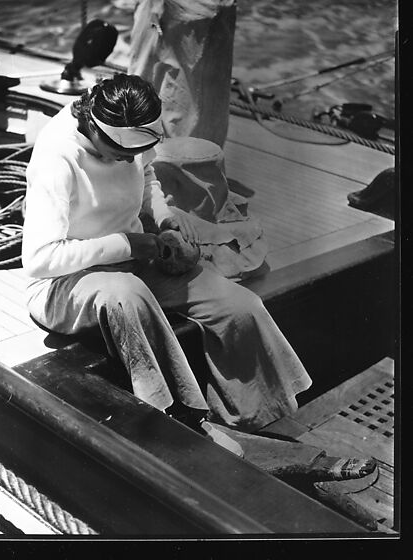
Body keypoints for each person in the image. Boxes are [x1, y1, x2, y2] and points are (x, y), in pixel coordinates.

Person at [21, 73, 375, 482]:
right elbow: (41, 260)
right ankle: (182, 421)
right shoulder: (56, 156)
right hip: (65, 282)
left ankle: (256, 426)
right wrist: (131, 245)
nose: (126, 161)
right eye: (120, 153)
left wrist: (166, 218)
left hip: (133, 255)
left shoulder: (130, 138)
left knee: (237, 306)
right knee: (127, 293)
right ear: (96, 129)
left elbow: (149, 176)